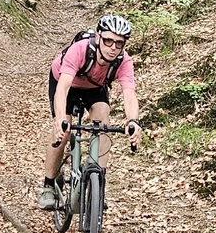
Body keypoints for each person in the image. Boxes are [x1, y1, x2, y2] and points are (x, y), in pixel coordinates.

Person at [41, 14, 142, 209]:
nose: (113, 47)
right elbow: (62, 88)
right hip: (67, 83)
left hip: (94, 87)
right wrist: (60, 118)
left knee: (103, 123)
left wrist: (133, 121)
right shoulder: (79, 50)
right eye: (108, 40)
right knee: (64, 131)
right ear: (98, 38)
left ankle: (97, 184)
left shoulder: (123, 61)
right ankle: (48, 186)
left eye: (119, 43)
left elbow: (129, 94)